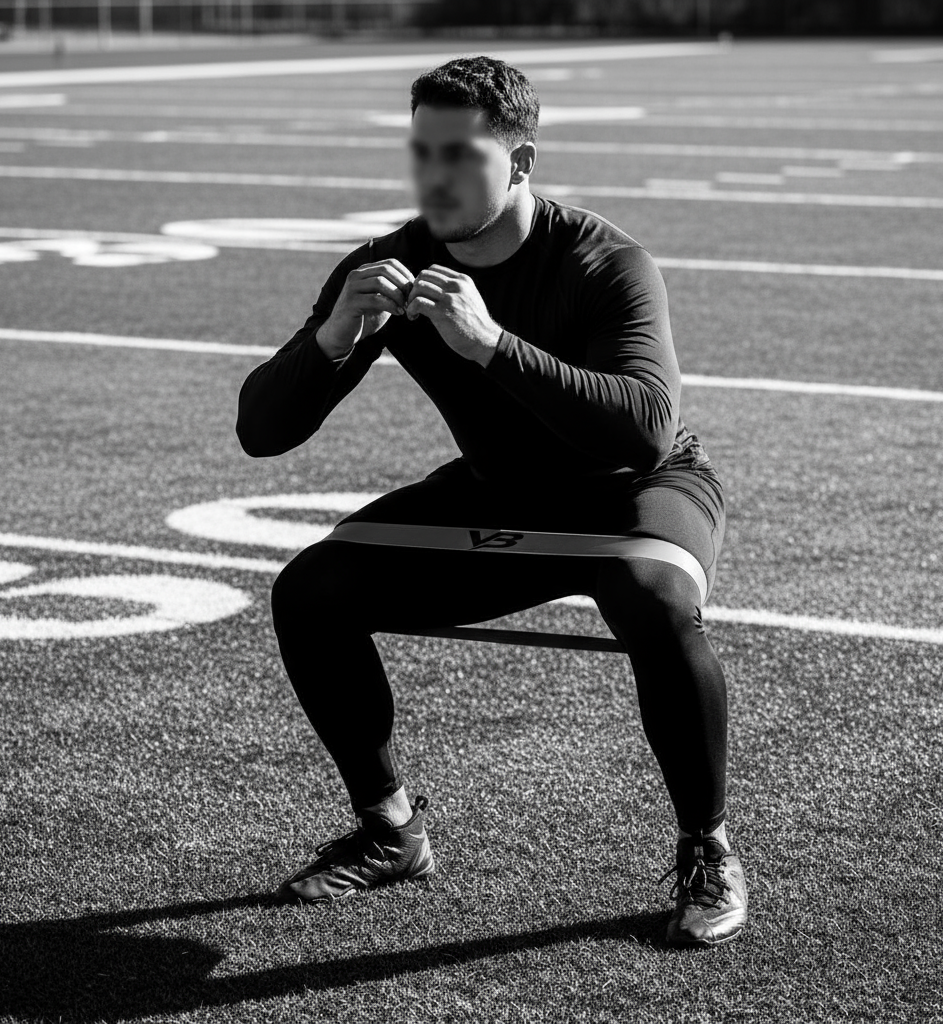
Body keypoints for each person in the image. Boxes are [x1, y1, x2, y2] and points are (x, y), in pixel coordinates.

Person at [235, 55, 747, 948]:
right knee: (310, 590)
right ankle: (391, 829)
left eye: (460, 155)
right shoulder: (391, 264)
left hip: (635, 491)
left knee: (654, 597)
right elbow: (262, 432)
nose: (434, 176)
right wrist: (335, 335)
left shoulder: (606, 261)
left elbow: (643, 431)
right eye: (422, 152)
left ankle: (710, 847)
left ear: (520, 163)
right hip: (500, 489)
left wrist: (492, 345)